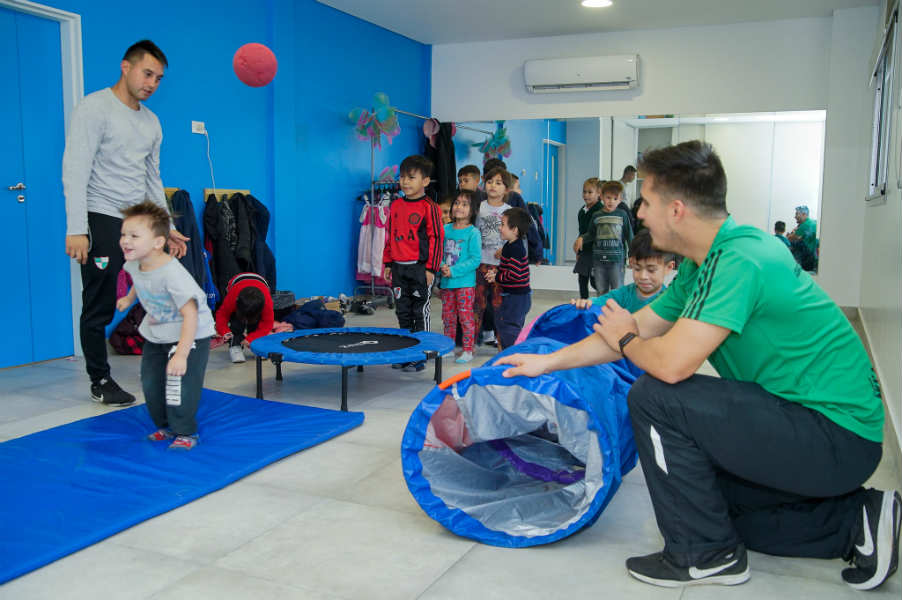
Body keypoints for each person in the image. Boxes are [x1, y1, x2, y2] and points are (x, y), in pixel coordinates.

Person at [497, 141, 898, 590]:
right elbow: (643, 327)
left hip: (836, 435)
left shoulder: (740, 260)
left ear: (677, 210)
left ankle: (702, 554)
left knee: (653, 396)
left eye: (646, 202)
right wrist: (546, 362)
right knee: (707, 501)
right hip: (809, 424)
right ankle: (857, 521)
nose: (640, 213)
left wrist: (625, 336)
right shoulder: (703, 262)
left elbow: (667, 365)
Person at [63, 40, 189, 407]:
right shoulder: (94, 108)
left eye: (159, 78)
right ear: (126, 67)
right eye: (147, 73)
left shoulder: (151, 122)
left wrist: (165, 226)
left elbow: (152, 177)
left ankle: (167, 361)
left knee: (158, 288)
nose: (152, 83)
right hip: (101, 217)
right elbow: (75, 169)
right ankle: (99, 378)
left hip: (139, 222)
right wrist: (77, 228)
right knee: (100, 300)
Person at [116, 201, 214, 450]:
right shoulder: (134, 262)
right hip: (157, 332)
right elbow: (139, 280)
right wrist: (128, 298)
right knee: (151, 382)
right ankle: (165, 425)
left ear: (158, 242)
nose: (126, 241)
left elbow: (190, 315)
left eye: (134, 236)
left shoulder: (173, 275)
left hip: (190, 334)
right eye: (124, 234)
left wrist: (181, 354)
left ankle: (186, 431)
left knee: (180, 384)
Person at [384, 155, 444, 372]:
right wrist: (388, 263)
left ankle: (420, 354)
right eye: (402, 177)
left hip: (420, 268)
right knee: (402, 311)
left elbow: (437, 238)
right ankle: (405, 352)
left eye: (411, 177)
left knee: (420, 312)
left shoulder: (430, 207)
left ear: (425, 181)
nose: (405, 182)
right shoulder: (396, 205)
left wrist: (431, 268)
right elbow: (389, 235)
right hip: (399, 267)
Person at [571, 230, 675, 312]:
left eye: (651, 270)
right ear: (631, 262)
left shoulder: (670, 301)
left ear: (669, 268)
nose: (643, 276)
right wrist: (586, 303)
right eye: (637, 268)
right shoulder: (623, 295)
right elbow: (599, 302)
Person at [440, 190, 482, 364]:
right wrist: (441, 265)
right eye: (457, 203)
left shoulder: (473, 233)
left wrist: (454, 270)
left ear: (472, 211)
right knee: (448, 317)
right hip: (447, 283)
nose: (459, 207)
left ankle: (467, 349)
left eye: (465, 204)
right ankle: (449, 348)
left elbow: (475, 260)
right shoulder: (445, 229)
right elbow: (438, 253)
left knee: (465, 317)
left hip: (464, 283)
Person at [474, 166, 512, 348]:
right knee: (478, 304)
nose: (493, 186)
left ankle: (501, 342)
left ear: (506, 189)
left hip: (500, 266)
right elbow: (472, 232)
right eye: (489, 182)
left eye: (498, 183)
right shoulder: (478, 208)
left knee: (499, 305)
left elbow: (516, 237)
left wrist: (506, 250)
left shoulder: (509, 211)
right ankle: (471, 342)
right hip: (480, 263)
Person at [575, 180, 633, 296]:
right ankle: (601, 313)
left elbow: (629, 236)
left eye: (615, 199)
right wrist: (581, 238)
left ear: (620, 199)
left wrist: (633, 255)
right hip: (599, 261)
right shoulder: (596, 215)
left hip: (617, 261)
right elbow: (591, 234)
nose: (611, 201)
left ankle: (616, 313)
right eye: (608, 197)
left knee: (617, 290)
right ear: (602, 197)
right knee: (601, 291)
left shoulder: (622, 215)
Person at [485, 207, 532, 350]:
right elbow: (508, 269)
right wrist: (497, 273)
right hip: (512, 296)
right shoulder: (508, 246)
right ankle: (508, 352)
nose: (499, 228)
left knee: (510, 329)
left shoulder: (516, 249)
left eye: (503, 225)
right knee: (505, 325)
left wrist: (497, 277)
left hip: (517, 298)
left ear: (515, 230)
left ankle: (511, 355)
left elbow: (515, 275)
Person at [214, 273, 274, 363]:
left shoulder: (267, 303)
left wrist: (251, 338)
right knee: (237, 323)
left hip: (259, 286)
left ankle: (256, 345)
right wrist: (225, 332)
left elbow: (267, 324)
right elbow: (221, 315)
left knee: (256, 325)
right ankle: (235, 345)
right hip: (236, 285)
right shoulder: (233, 298)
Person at [573, 177, 603, 299]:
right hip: (585, 251)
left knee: (595, 281)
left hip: (596, 251)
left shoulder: (600, 210)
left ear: (598, 193)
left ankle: (604, 299)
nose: (586, 195)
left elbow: (595, 232)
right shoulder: (582, 211)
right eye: (584, 192)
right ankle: (583, 301)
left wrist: (583, 240)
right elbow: (582, 231)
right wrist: (579, 250)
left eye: (590, 192)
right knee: (582, 278)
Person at [788, 205, 818, 271]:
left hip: (806, 258)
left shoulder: (805, 224)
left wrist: (792, 232)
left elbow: (791, 238)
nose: (795, 216)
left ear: (804, 214)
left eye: (797, 214)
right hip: (813, 258)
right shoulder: (813, 223)